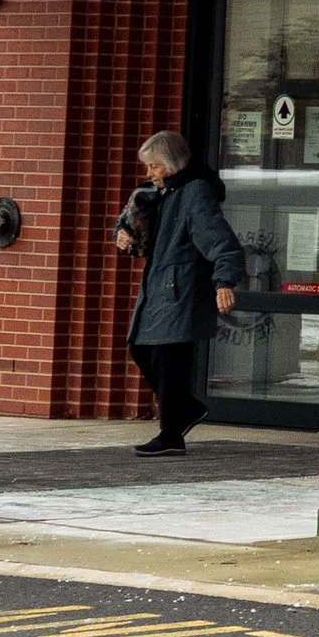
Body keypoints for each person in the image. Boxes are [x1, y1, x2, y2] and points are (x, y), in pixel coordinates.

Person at [115, 130, 245, 456]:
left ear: (173, 164)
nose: (149, 173)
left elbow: (222, 243)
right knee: (141, 349)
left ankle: (170, 434)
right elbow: (138, 221)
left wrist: (224, 282)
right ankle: (186, 410)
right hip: (160, 286)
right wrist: (124, 233)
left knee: (167, 360)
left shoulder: (194, 193)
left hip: (180, 288)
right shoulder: (163, 191)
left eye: (155, 166)